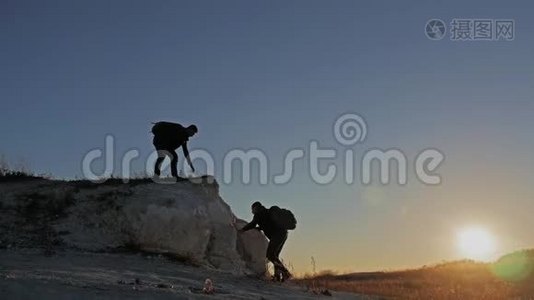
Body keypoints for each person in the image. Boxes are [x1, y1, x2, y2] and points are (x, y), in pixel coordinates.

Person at [238, 201, 292, 282]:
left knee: (270, 255)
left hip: (277, 235)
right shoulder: (265, 212)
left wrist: (242, 230)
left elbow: (253, 224)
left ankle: (286, 273)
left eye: (253, 209)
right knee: (274, 255)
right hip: (283, 233)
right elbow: (267, 224)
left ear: (256, 208)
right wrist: (258, 228)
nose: (252, 212)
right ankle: (277, 277)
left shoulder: (258, 214)